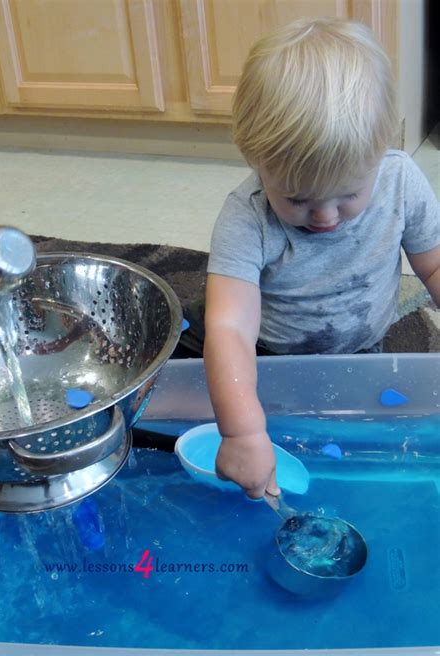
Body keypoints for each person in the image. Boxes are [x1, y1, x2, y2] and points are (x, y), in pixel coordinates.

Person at [178, 17, 440, 499]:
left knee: (358, 440)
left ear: (382, 151)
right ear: (257, 161)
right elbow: (232, 330)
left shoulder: (402, 183)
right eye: (297, 199)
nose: (325, 217)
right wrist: (243, 433)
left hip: (361, 346)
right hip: (266, 350)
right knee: (193, 379)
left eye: (348, 194)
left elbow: (435, 265)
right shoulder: (246, 217)